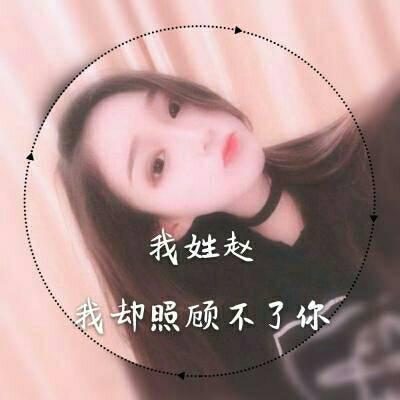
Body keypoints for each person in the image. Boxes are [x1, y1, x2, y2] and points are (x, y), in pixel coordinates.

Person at [56, 70, 400, 399]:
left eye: (174, 108)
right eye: (158, 164)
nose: (197, 135)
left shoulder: (376, 157)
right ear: (167, 225)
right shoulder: (223, 340)